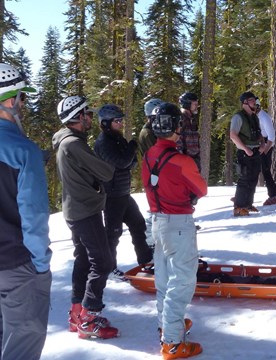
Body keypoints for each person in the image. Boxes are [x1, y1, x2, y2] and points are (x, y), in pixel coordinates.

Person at [141, 102, 207, 359]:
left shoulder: (148, 155)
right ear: (175, 128)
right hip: (178, 224)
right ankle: (172, 341)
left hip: (157, 222)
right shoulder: (182, 161)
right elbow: (201, 189)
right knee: (182, 282)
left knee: (164, 280)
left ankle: (167, 325)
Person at [52, 95, 119, 339]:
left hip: (77, 209)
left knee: (83, 260)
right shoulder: (73, 144)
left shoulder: (67, 141)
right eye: (88, 114)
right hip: (85, 211)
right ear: (79, 117)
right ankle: (89, 318)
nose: (91, 117)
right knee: (102, 262)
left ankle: (77, 313)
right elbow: (106, 171)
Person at [0, 63, 52, 360]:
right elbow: (33, 218)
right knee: (22, 345)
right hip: (17, 266)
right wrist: (41, 266)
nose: (23, 105)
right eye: (22, 98)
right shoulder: (23, 150)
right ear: (9, 100)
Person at [94, 104, 153, 275]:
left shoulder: (116, 139)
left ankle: (145, 259)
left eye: (121, 120)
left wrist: (129, 154)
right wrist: (132, 148)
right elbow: (122, 162)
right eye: (117, 121)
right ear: (105, 123)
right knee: (113, 233)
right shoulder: (104, 142)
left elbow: (131, 162)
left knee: (138, 224)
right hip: (111, 195)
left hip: (123, 192)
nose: (121, 123)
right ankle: (109, 268)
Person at [229, 91, 265, 216]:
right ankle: (238, 207)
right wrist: (245, 149)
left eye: (254, 100)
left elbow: (258, 133)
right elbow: (233, 135)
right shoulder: (238, 117)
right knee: (244, 179)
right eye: (250, 100)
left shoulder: (254, 117)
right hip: (244, 152)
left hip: (255, 151)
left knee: (253, 178)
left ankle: (248, 204)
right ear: (244, 102)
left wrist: (262, 143)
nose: (254, 102)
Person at [139, 98, 165, 245]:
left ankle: (158, 237)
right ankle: (150, 240)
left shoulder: (154, 130)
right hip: (154, 175)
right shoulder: (148, 133)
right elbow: (156, 155)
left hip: (157, 174)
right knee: (156, 207)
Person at [255, 98, 276, 205]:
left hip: (266, 146)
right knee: (256, 170)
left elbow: (271, 137)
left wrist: (265, 151)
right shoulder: (256, 117)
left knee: (265, 171)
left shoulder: (264, 117)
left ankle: (273, 195)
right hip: (260, 144)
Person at [177, 92, 201, 170]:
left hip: (194, 158)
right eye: (195, 104)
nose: (197, 107)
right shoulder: (181, 118)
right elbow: (178, 139)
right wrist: (181, 159)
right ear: (187, 104)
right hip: (186, 160)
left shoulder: (191, 118)